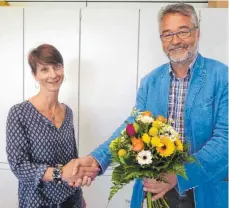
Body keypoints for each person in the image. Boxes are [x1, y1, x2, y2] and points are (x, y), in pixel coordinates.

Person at [73, 3, 228, 208]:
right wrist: (97, 159)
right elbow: (132, 127)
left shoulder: (221, 76)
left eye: (183, 32)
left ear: (196, 33)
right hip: (156, 190)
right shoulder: (151, 82)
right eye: (167, 34)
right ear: (161, 40)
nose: (175, 41)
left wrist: (179, 175)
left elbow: (225, 139)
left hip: (205, 189)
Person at [6, 44, 99, 208]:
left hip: (71, 199)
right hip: (37, 202)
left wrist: (80, 194)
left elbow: (72, 159)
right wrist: (60, 174)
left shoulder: (67, 112)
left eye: (57, 66)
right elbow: (19, 166)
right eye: (44, 69)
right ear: (35, 75)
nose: (53, 74)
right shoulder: (19, 113)